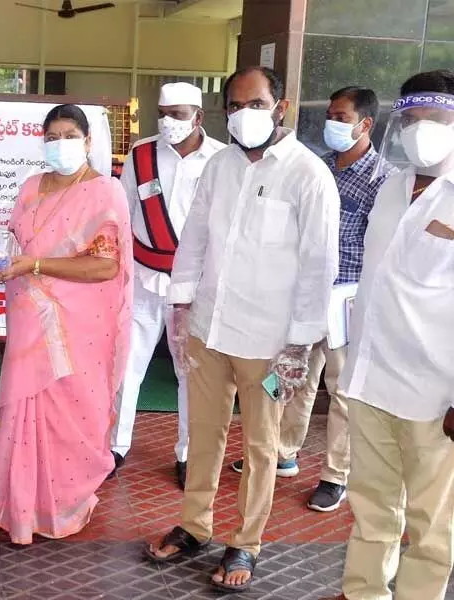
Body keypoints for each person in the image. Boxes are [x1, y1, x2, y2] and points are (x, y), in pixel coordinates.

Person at [145, 66, 339, 593]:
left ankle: (245, 541)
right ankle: (195, 525)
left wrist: (299, 342)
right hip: (210, 328)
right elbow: (195, 241)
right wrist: (181, 310)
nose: (241, 115)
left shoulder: (308, 174)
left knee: (260, 446)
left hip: (271, 344)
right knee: (202, 435)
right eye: (233, 105)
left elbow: (320, 265)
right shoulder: (221, 166)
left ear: (282, 107)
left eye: (254, 104)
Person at [230, 86, 396, 513]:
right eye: (331, 116)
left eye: (342, 118)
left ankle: (335, 474)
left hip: (348, 298)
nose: (333, 125)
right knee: (294, 377)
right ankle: (284, 451)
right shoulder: (315, 167)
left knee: (340, 390)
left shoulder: (385, 181)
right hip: (305, 293)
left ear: (366, 125)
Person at [320, 69, 454, 600]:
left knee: (431, 524)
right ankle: (363, 592)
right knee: (371, 506)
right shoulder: (393, 185)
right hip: (373, 381)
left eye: (438, 118)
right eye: (414, 118)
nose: (423, 129)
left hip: (434, 396)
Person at [0, 104, 133, 544]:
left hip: (81, 325)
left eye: (69, 135)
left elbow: (105, 267)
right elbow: (13, 243)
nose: (59, 143)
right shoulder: (29, 186)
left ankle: (63, 501)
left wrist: (38, 264)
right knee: (24, 410)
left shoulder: (105, 192)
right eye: (51, 136)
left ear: (87, 141)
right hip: (29, 320)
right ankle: (17, 503)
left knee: (74, 411)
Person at [111, 82, 225, 489]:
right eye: (163, 113)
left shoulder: (221, 160)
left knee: (189, 373)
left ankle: (188, 453)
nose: (168, 122)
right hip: (143, 279)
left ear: (198, 117)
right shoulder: (141, 154)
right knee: (127, 365)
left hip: (192, 287)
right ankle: (115, 446)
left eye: (177, 114)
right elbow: (123, 215)